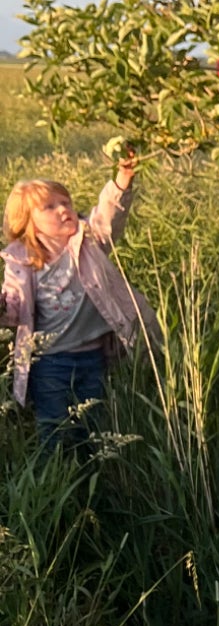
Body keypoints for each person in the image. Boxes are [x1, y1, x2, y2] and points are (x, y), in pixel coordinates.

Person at [2, 154, 162, 450]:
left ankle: (91, 472)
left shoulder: (88, 240)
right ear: (27, 222)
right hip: (49, 361)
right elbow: (14, 308)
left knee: (92, 424)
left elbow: (108, 218)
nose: (63, 209)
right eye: (49, 206)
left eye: (66, 202)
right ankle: (56, 476)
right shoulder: (22, 260)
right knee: (54, 427)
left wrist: (122, 180)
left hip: (93, 357)